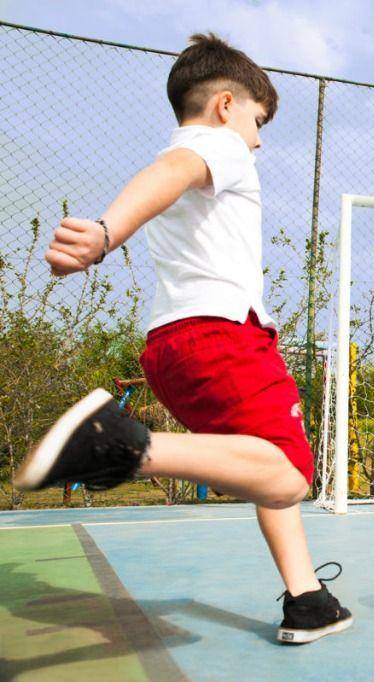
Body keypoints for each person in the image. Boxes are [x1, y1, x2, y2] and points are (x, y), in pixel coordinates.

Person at [13, 33, 351, 645]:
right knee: (292, 473)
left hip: (172, 348)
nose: (258, 137)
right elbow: (174, 171)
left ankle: (307, 600)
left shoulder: (187, 152)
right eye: (257, 119)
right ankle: (117, 447)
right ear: (226, 105)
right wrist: (105, 234)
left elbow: (167, 172)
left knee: (260, 463)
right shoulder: (216, 147)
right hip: (223, 336)